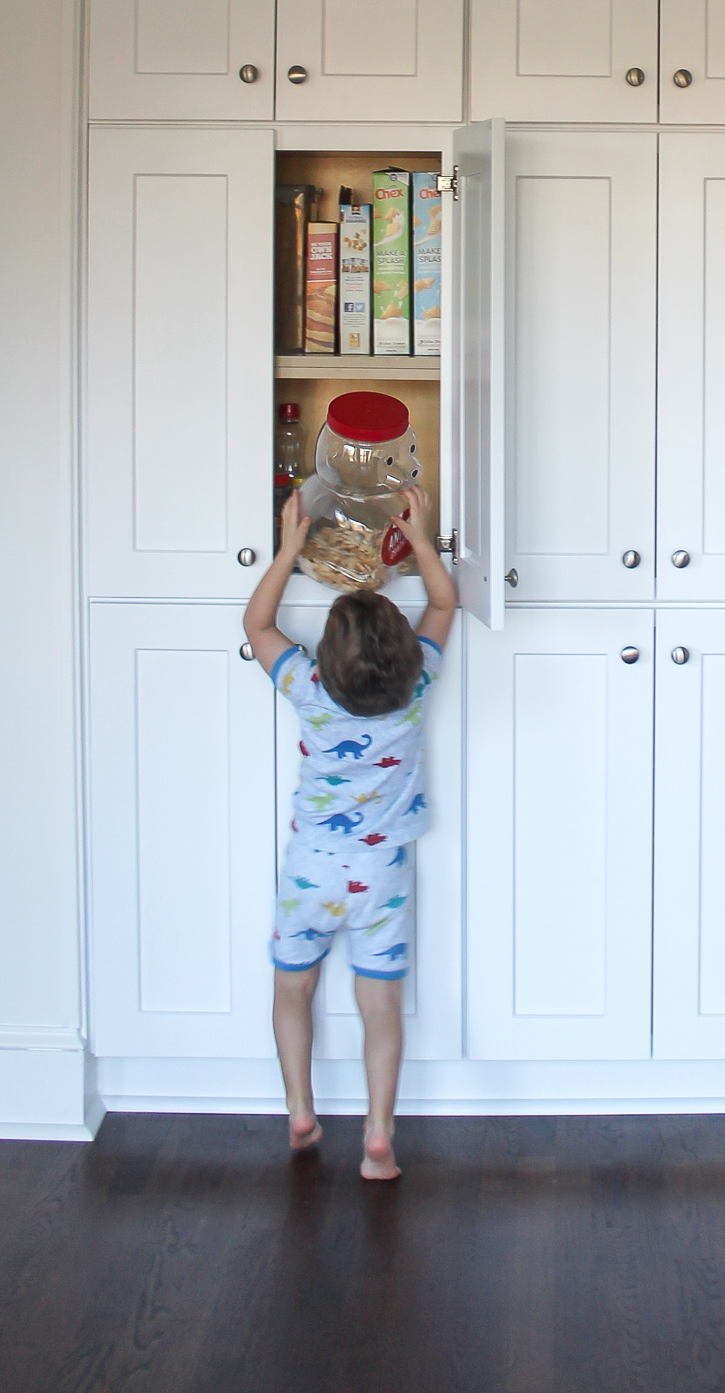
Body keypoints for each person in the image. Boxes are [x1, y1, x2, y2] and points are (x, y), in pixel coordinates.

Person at [243, 483, 457, 1180]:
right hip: (382, 876)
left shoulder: (307, 687)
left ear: (325, 660)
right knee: (380, 1004)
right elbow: (445, 603)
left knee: (291, 990)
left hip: (312, 866)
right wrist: (420, 539)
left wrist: (287, 550)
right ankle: (377, 1133)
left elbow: (258, 625)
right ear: (402, 651)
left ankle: (301, 1109)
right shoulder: (417, 683)